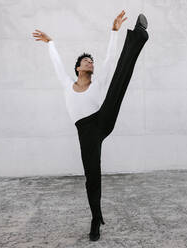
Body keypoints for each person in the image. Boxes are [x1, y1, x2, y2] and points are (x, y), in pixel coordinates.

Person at [32, 10, 148, 241]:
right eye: (86, 61)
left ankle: (138, 37)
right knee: (91, 176)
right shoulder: (67, 84)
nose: (91, 63)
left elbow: (109, 58)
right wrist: (51, 43)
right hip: (86, 133)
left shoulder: (97, 83)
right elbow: (56, 65)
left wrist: (114, 31)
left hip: (102, 119)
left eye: (91, 61)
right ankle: (96, 218)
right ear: (78, 68)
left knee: (117, 80)